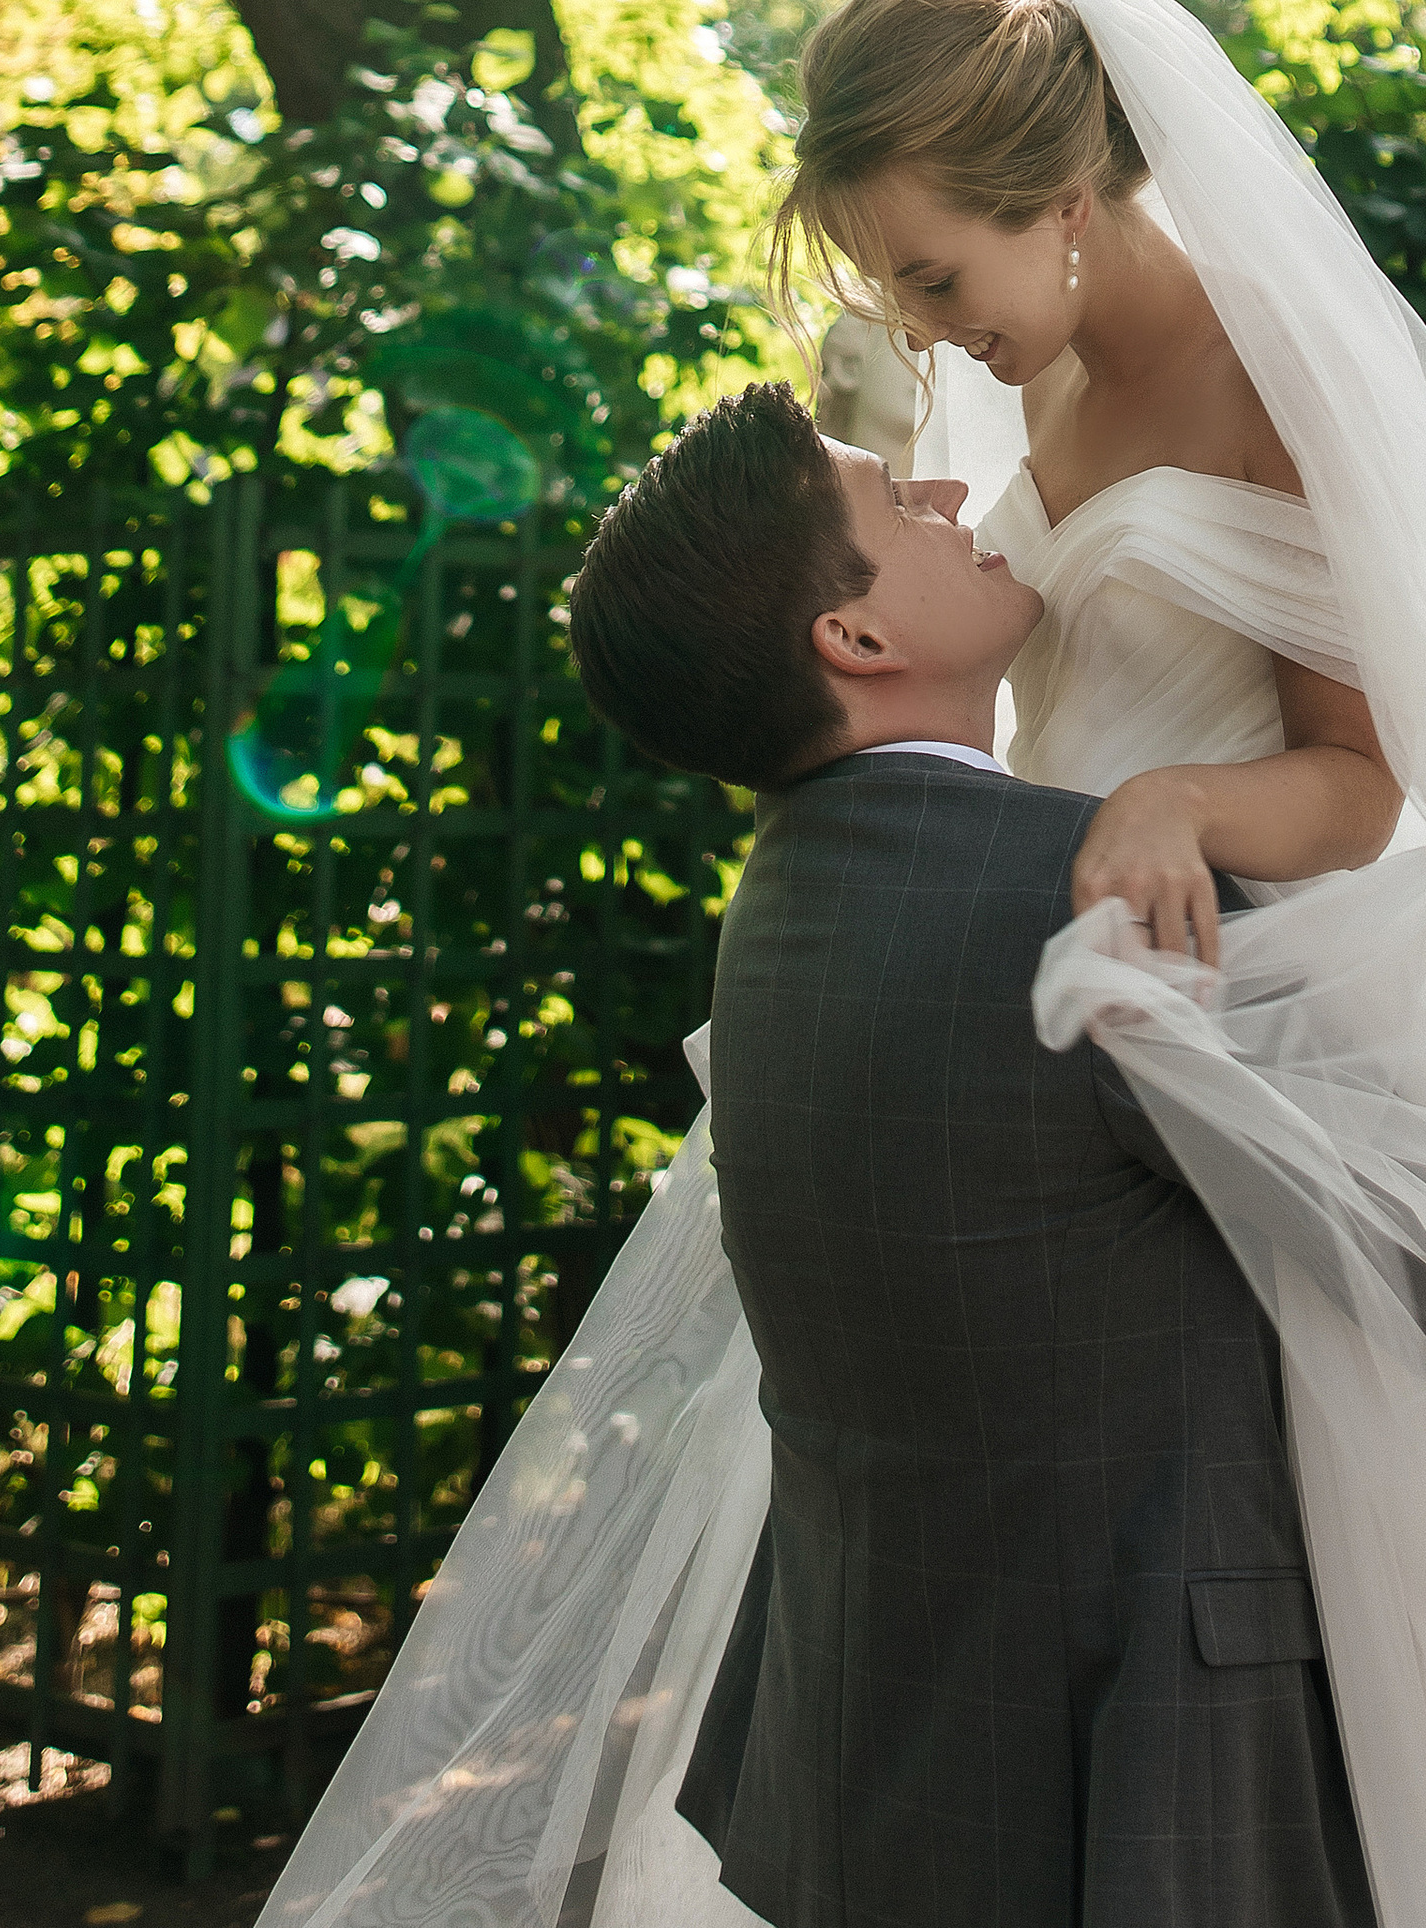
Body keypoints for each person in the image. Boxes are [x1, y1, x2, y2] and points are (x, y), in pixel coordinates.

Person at [263, 0, 1426, 1928]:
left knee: (1318, 1671)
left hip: (1238, 993)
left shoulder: (1271, 381)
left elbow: (1364, 783)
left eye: (936, 273)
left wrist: (1170, 816)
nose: (921, 330)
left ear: (1061, 199)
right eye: (897, 288)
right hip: (1047, 983)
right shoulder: (1017, 372)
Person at [572, 380, 1381, 1928]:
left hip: (878, 1746)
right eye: (896, 503)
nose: (954, 497)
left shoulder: (771, 925)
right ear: (855, 640)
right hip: (1140, 1762)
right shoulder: (1083, 898)